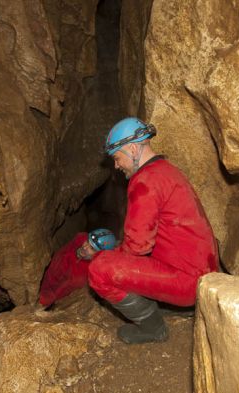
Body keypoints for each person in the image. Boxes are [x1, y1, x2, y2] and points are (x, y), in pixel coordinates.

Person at [88, 117, 218, 344]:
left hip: (189, 281)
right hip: (202, 273)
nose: (117, 166)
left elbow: (137, 246)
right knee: (122, 254)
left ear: (132, 148)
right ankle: (170, 305)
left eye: (117, 158)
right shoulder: (166, 170)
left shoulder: (145, 181)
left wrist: (111, 257)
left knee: (99, 269)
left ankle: (153, 328)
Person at [38, 229, 116, 307]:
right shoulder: (80, 239)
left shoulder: (83, 275)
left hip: (49, 290)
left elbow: (57, 294)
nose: (85, 247)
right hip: (45, 273)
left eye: (92, 248)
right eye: (87, 241)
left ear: (98, 255)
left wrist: (43, 300)